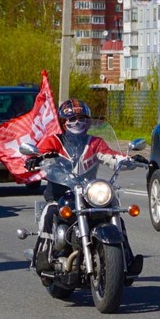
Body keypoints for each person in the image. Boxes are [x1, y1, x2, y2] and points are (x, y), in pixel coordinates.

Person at [25, 99, 143, 276]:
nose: (77, 122)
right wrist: (36, 158)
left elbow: (110, 157)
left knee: (113, 213)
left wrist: (128, 160)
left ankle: (126, 258)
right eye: (72, 118)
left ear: (88, 121)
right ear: (63, 122)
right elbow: (40, 153)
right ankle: (44, 258)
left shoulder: (94, 143)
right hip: (60, 193)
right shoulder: (54, 141)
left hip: (88, 193)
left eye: (81, 118)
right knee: (50, 213)